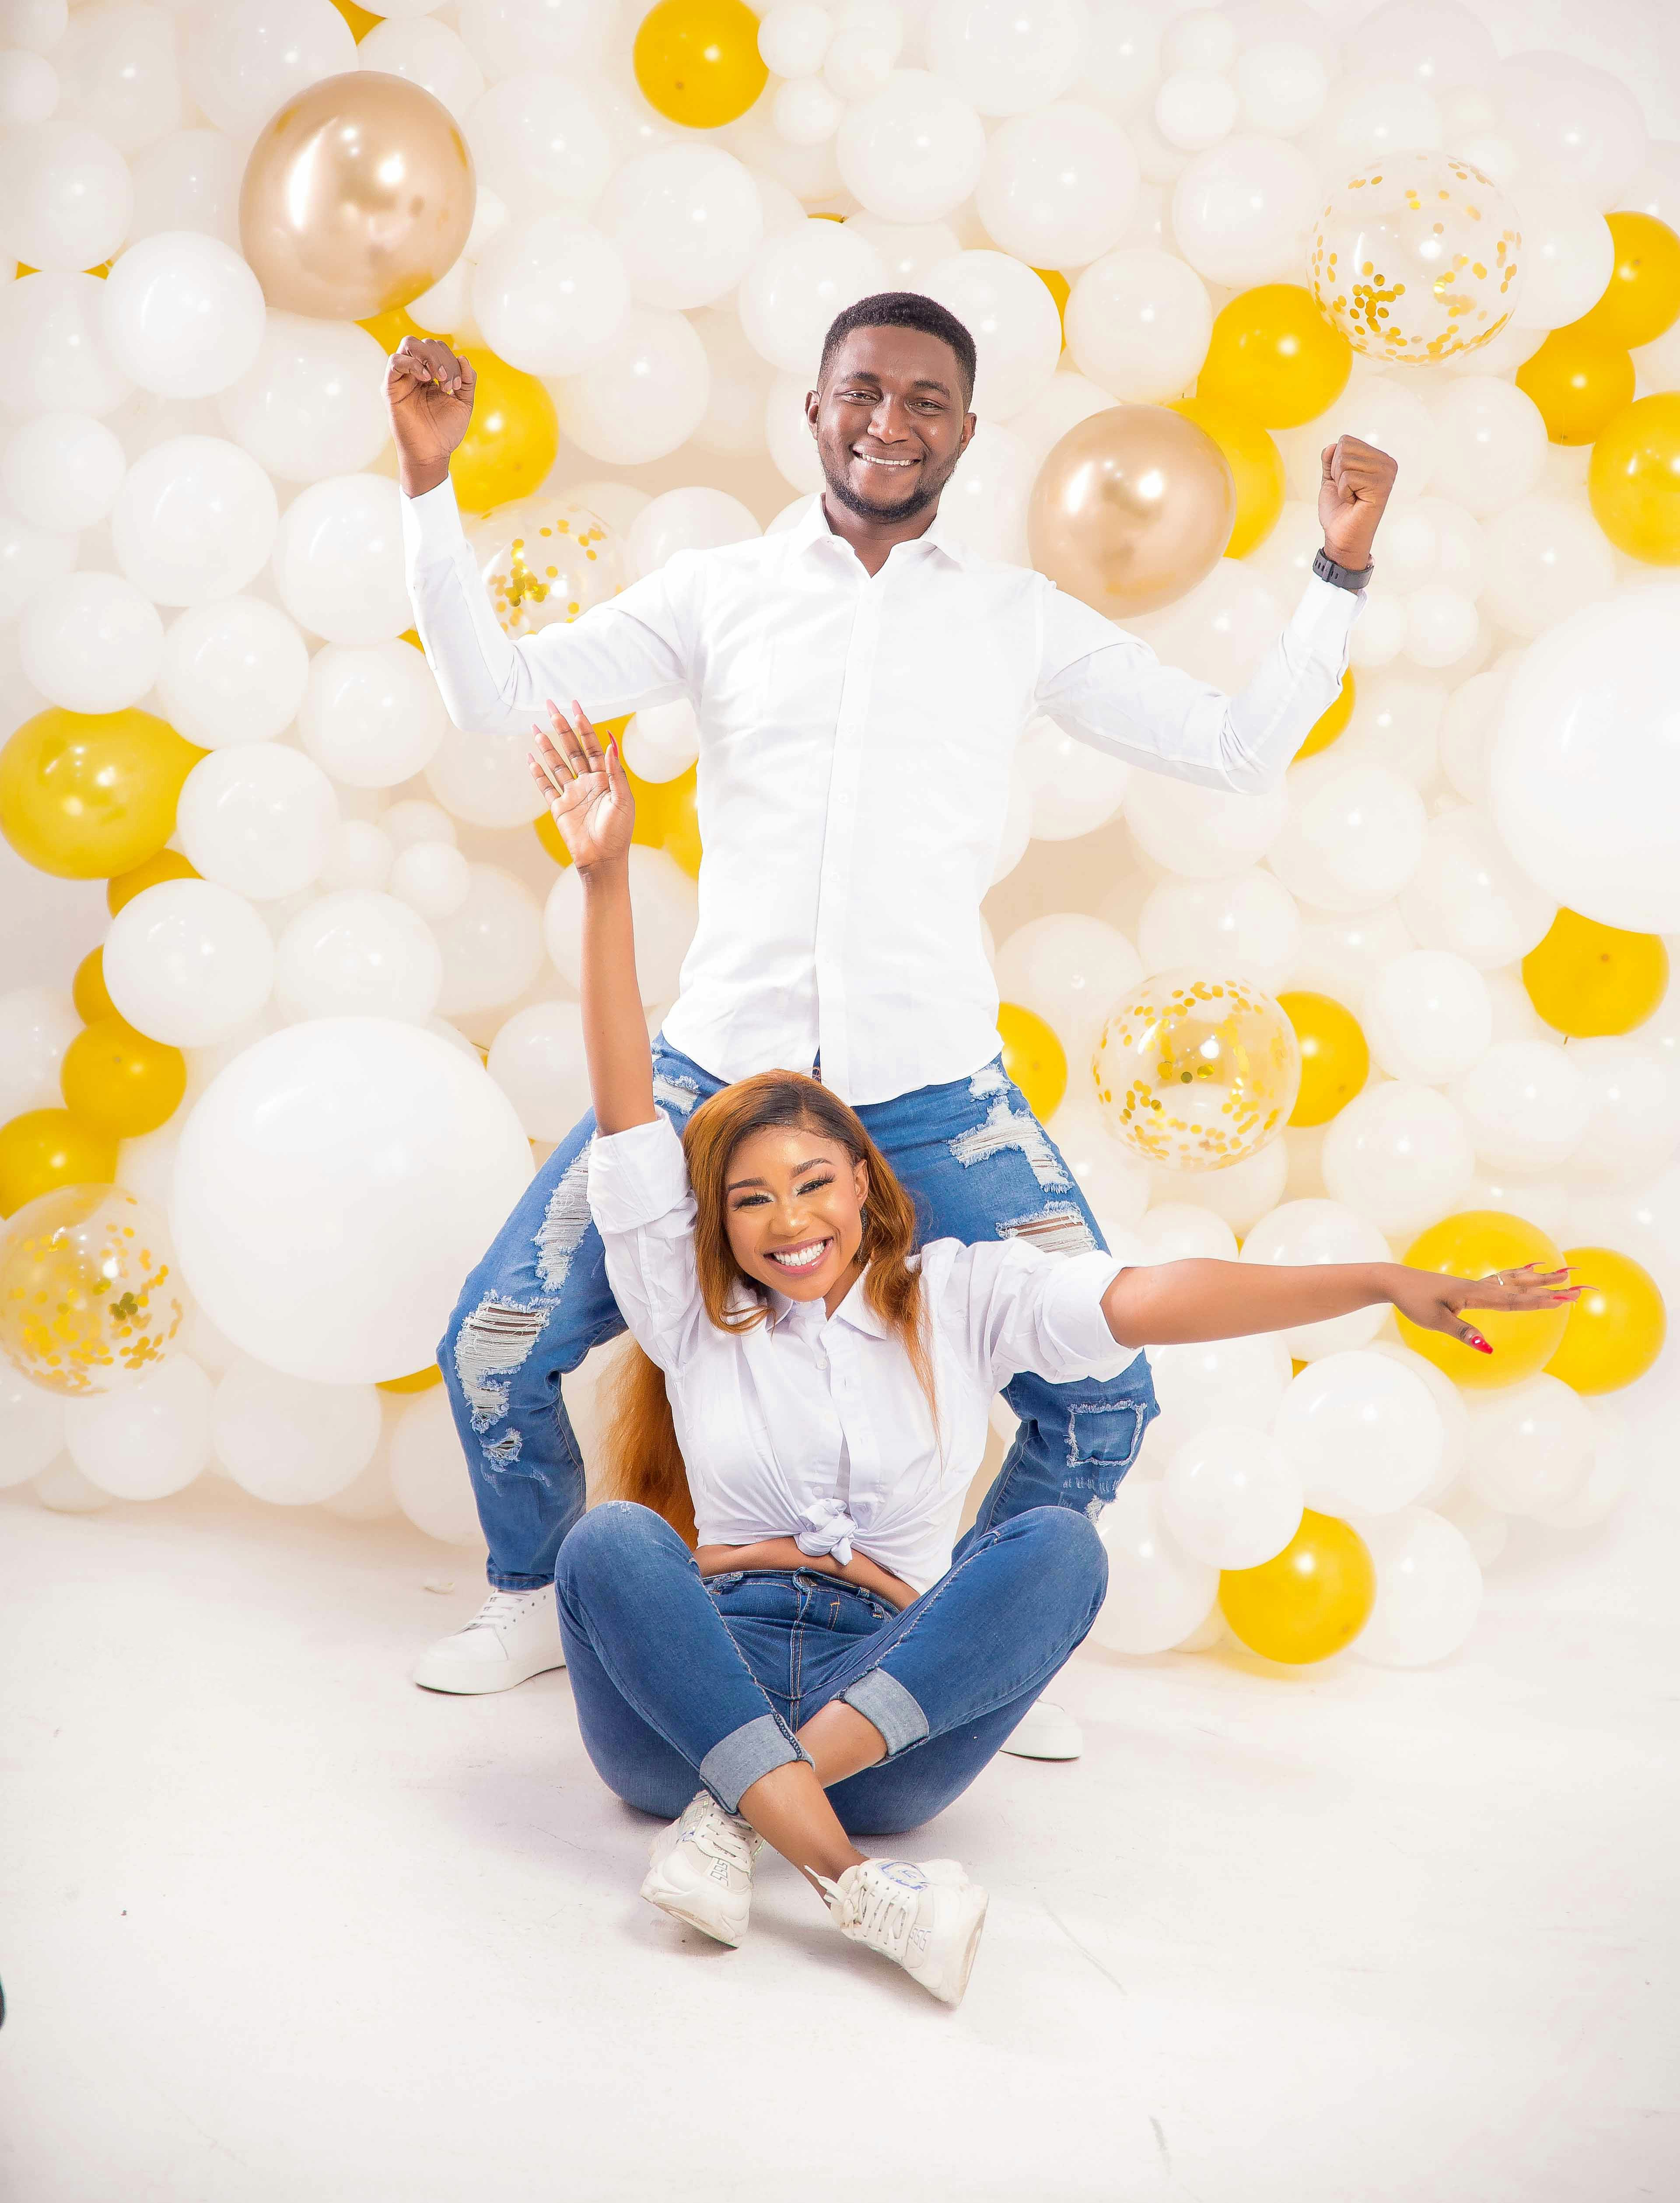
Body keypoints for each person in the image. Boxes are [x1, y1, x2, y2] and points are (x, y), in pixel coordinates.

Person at [391, 291, 1400, 1737]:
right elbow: (495, 695)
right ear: (814, 408)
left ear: (967, 436)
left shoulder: (1016, 620)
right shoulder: (717, 592)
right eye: (863, 390)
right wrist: (431, 485)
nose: (889, 421)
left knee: (1106, 1395)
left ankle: (971, 1640)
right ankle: (545, 1594)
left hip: (933, 1093)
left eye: (927, 401)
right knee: (496, 1343)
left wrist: (1339, 569)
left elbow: (1238, 750)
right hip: (709, 1084)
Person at [532, 698, 1575, 2007]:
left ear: (866, 1183)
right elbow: (628, 1104)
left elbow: (1154, 1296)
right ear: (722, 1223)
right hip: (689, 1689)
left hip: (887, 1711)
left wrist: (1378, 1277)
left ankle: (739, 1818)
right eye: (751, 1199)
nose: (787, 1220)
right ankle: (855, 1885)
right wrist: (608, 868)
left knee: (1061, 1547)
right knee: (608, 1544)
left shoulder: (959, 1295)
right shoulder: (695, 1313)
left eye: (812, 1182)